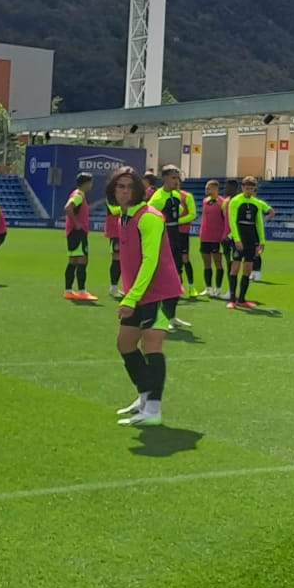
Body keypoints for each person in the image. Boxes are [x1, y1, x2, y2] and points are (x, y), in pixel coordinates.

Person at [108, 165, 182, 429]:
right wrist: (130, 294)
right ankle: (144, 396)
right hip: (137, 292)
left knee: (152, 344)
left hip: (160, 292)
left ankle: (154, 409)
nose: (125, 191)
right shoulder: (124, 216)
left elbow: (150, 260)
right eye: (120, 186)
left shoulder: (149, 217)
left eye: (130, 186)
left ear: (139, 189)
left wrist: (130, 297)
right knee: (125, 344)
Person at [152, 166, 200, 300]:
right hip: (164, 235)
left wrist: (175, 220)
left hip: (176, 235)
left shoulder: (176, 195)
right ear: (165, 178)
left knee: (178, 266)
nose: (176, 181)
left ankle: (176, 293)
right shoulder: (157, 199)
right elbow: (149, 217)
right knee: (163, 267)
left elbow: (177, 211)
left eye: (177, 178)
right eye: (173, 178)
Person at [227, 175, 273, 309]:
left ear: (254, 189)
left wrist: (262, 241)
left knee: (247, 270)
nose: (249, 191)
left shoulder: (256, 203)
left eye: (252, 189)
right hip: (239, 238)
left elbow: (259, 223)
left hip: (251, 239)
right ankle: (232, 299)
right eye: (247, 188)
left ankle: (241, 299)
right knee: (235, 268)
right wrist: (237, 239)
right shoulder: (235, 201)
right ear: (242, 188)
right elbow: (232, 222)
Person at [62, 171, 97, 302]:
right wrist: (77, 223)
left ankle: (69, 290)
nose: (91, 185)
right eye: (90, 182)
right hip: (77, 233)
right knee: (82, 260)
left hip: (73, 233)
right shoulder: (78, 195)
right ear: (86, 183)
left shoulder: (77, 194)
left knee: (73, 261)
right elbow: (68, 208)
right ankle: (81, 291)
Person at [197, 180, 230, 299]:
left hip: (217, 238)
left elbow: (226, 221)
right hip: (205, 237)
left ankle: (218, 289)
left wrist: (224, 236)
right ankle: (208, 288)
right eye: (206, 188)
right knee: (206, 264)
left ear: (216, 189)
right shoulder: (205, 201)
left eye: (209, 188)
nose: (207, 190)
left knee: (218, 263)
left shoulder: (223, 202)